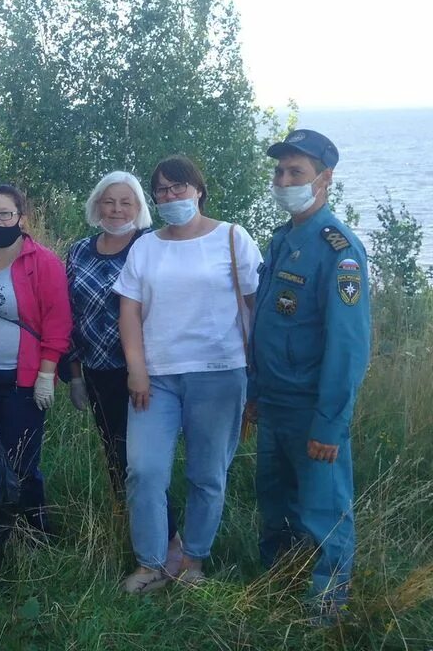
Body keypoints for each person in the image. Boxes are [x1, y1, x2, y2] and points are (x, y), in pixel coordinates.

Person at [115, 155, 262, 593]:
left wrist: (258, 376)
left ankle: (193, 560)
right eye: (161, 190)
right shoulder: (146, 246)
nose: (170, 196)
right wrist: (136, 370)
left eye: (178, 187)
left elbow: (256, 309)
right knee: (144, 470)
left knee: (207, 474)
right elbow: (129, 311)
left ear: (198, 189)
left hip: (220, 374)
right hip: (156, 379)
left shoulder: (233, 238)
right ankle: (151, 564)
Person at [249, 129, 370, 621]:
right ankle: (277, 584)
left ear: (324, 179)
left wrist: (329, 423)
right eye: (279, 172)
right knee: (275, 501)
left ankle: (325, 611)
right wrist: (254, 394)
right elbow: (267, 326)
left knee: (325, 510)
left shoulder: (338, 250)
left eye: (295, 172)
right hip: (274, 403)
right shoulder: (284, 240)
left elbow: (347, 348)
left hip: (310, 408)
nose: (283, 180)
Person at [66, 171, 182, 573]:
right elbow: (71, 316)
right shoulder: (79, 250)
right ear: (96, 205)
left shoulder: (149, 247)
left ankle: (172, 547)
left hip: (142, 376)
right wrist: (76, 374)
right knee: (116, 458)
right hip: (98, 373)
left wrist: (142, 371)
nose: (116, 210)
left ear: (139, 208)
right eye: (108, 202)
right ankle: (138, 536)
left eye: (126, 202)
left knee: (144, 464)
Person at [0, 185, 72, 533]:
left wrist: (46, 374)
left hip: (21, 381)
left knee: (21, 459)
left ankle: (36, 531)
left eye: (4, 214)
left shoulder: (43, 263)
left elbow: (58, 320)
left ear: (20, 218)